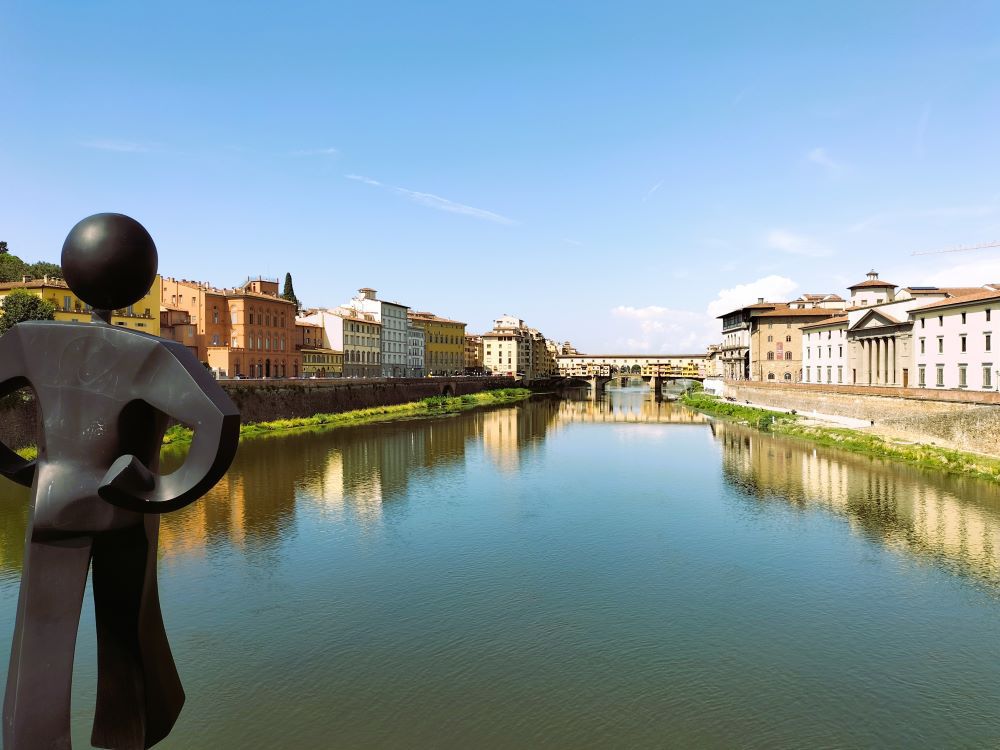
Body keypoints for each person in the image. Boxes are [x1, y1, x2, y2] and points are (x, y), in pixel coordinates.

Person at [0, 214, 239, 750]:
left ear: (74, 267)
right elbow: (218, 422)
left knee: (38, 638)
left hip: (53, 500)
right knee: (130, 634)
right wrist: (160, 492)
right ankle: (127, 732)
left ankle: (29, 739)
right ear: (141, 275)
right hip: (124, 505)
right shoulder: (152, 352)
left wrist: (23, 471)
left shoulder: (28, 339)